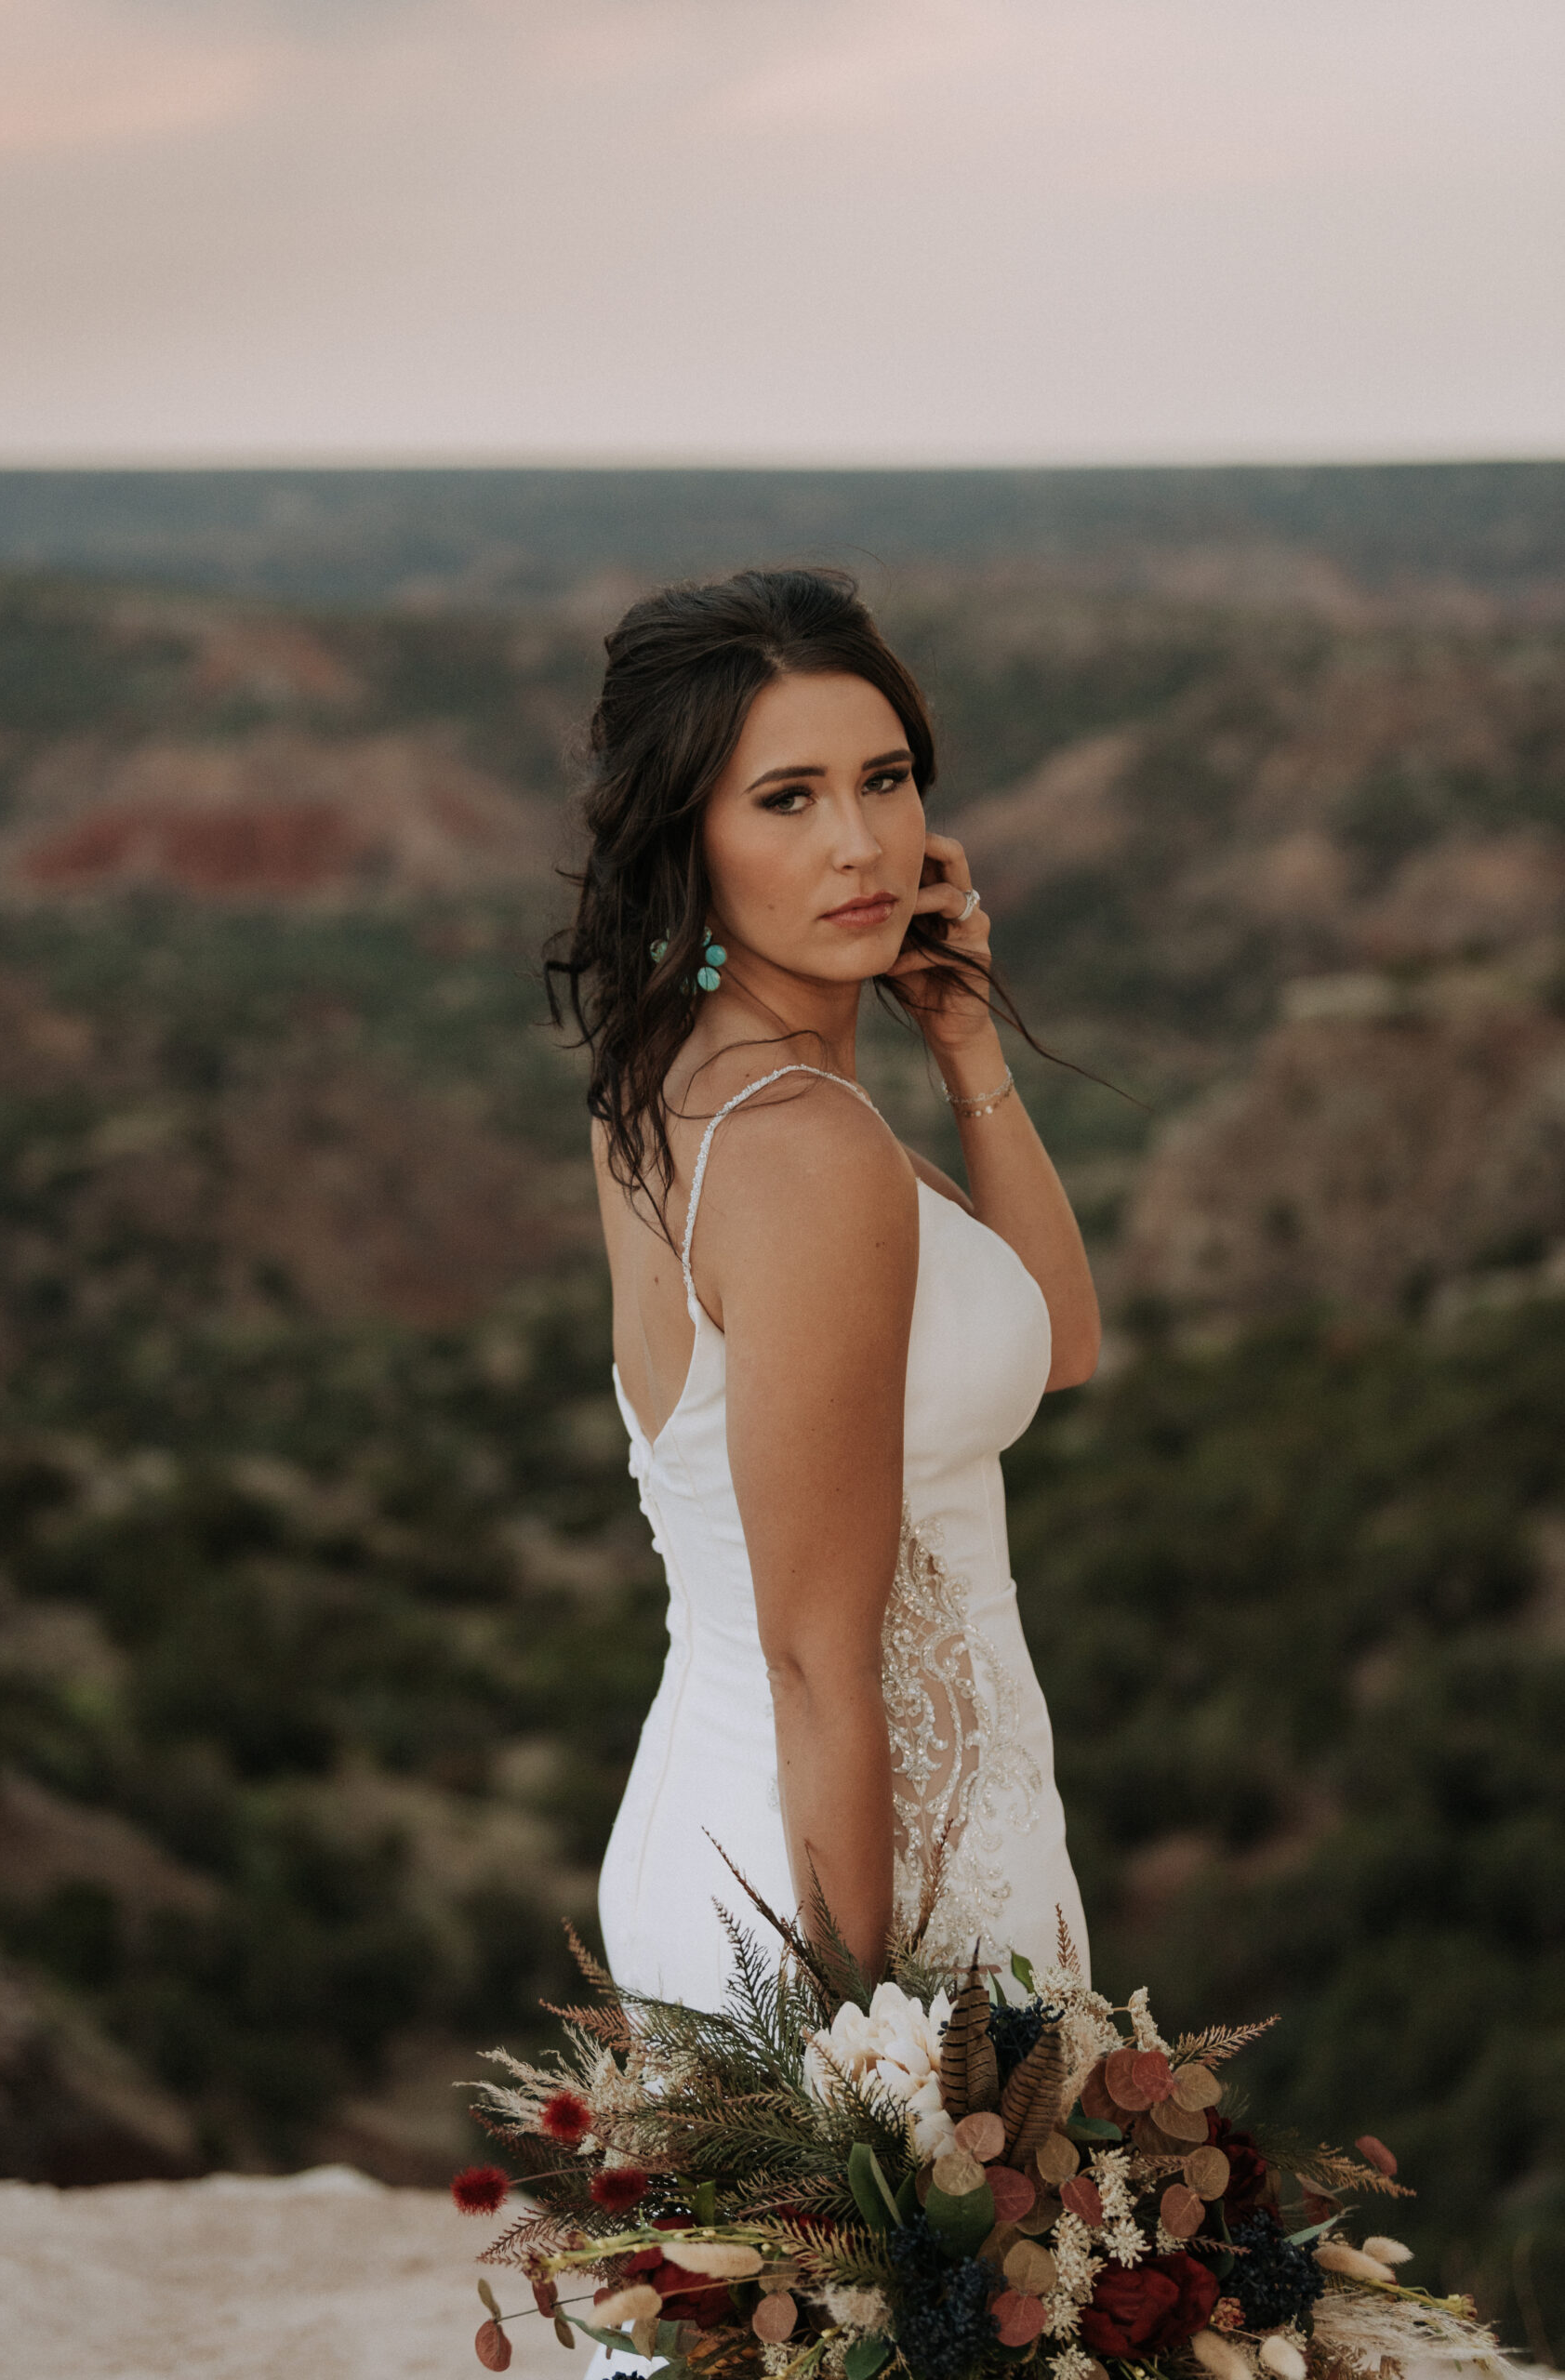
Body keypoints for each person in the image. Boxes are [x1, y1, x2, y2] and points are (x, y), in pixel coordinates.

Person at [546, 567, 1099, 2022]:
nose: (858, 844)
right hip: (846, 1885)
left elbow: (1058, 1345)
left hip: (755, 1819)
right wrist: (861, 2061)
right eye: (785, 799)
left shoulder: (687, 1076)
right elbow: (813, 1657)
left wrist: (964, 1045)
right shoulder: (802, 1149)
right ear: (691, 835)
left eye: (886, 779)